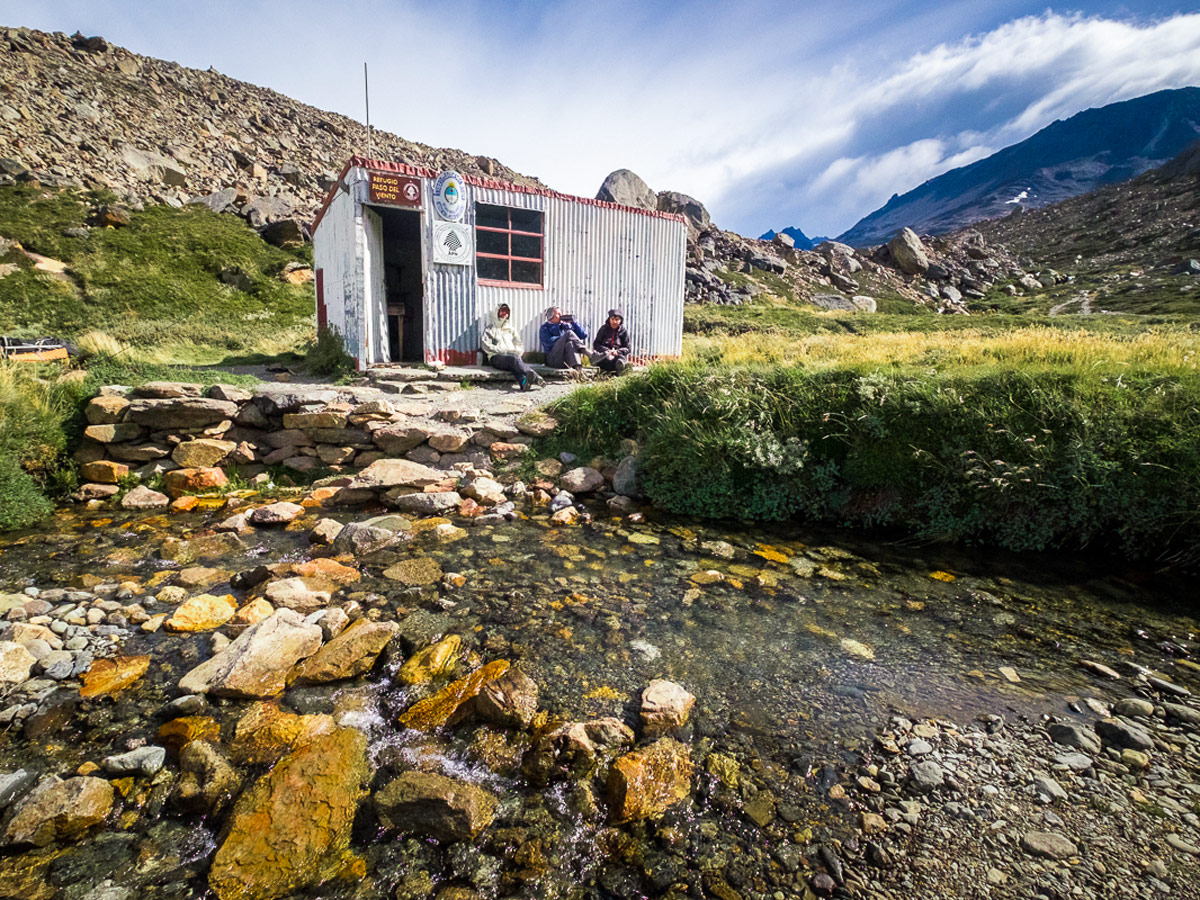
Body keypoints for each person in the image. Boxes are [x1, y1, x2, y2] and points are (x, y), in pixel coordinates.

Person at [481, 304, 543, 391]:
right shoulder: (490, 329)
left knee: (514, 363)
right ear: (497, 312)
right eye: (502, 310)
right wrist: (501, 350)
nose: (504, 313)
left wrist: (516, 351)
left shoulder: (511, 329)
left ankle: (524, 382)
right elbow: (485, 345)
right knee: (513, 360)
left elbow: (519, 344)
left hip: (512, 357)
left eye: (507, 311)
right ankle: (535, 376)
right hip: (495, 357)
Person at [592, 308, 630, 375]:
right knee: (603, 359)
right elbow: (596, 344)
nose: (614, 322)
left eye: (617, 320)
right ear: (609, 319)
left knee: (620, 360)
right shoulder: (603, 329)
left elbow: (627, 348)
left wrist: (617, 352)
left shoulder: (624, 331)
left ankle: (620, 367)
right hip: (605, 355)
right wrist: (607, 351)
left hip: (617, 355)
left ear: (621, 321)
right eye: (612, 319)